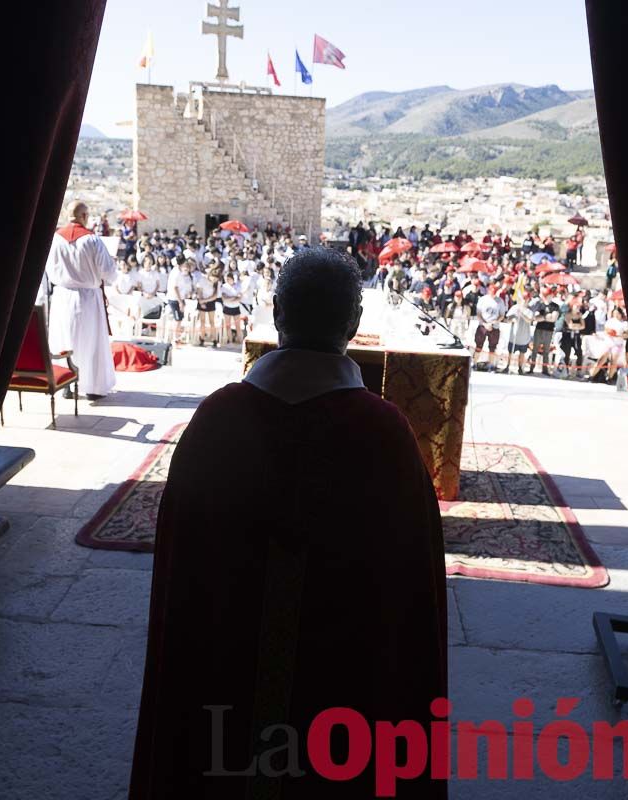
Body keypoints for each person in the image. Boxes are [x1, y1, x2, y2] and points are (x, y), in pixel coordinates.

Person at [130, 247, 447, 800]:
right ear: (354, 323)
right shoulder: (384, 436)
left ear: (276, 312)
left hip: (218, 697)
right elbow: (407, 601)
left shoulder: (216, 422)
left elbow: (184, 588)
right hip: (342, 721)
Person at [44, 200, 117, 400]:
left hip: (62, 297)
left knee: (64, 340)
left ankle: (67, 383)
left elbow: (49, 270)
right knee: (90, 342)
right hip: (87, 298)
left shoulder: (55, 240)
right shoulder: (92, 240)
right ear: (84, 216)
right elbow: (109, 272)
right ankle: (92, 387)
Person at [473, 286, 505, 372]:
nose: (493, 295)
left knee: (492, 347)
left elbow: (502, 315)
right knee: (478, 345)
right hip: (483, 325)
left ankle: (490, 365)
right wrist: (484, 324)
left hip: (494, 326)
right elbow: (478, 314)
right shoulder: (483, 299)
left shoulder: (500, 301)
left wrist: (494, 322)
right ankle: (474, 363)